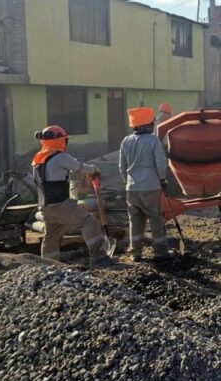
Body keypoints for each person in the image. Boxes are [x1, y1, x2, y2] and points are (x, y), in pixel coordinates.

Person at [32, 125, 116, 268]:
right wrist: (94, 170)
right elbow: (79, 167)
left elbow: (53, 177)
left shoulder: (38, 160)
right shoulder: (60, 156)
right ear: (60, 141)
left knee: (52, 235)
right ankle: (99, 258)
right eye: (64, 140)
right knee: (90, 222)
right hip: (61, 205)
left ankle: (47, 266)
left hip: (45, 207)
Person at [119, 107, 170, 262]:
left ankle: (136, 252)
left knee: (135, 221)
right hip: (150, 186)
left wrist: (127, 182)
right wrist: (162, 180)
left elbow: (122, 166)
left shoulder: (126, 141)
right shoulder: (153, 140)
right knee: (155, 218)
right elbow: (161, 164)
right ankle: (160, 252)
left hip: (132, 188)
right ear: (148, 124)